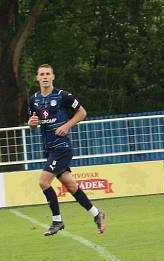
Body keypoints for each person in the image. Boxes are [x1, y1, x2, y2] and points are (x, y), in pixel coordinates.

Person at [28, 64, 106, 236]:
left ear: (53, 76)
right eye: (42, 74)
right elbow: (33, 123)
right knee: (70, 185)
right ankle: (97, 214)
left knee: (43, 182)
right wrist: (31, 124)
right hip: (49, 148)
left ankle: (57, 221)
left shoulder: (63, 96)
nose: (45, 77)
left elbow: (82, 112)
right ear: (37, 78)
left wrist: (67, 125)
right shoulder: (33, 99)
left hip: (62, 148)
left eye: (48, 73)